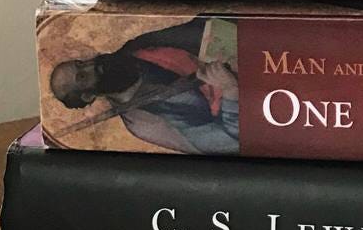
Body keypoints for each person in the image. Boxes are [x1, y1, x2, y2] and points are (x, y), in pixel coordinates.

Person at [48, 18, 239, 154]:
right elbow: (227, 144)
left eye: (81, 63)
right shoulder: (144, 122)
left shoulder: (140, 47)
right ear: (88, 96)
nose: (92, 65)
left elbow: (204, 27)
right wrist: (231, 92)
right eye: (83, 76)